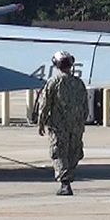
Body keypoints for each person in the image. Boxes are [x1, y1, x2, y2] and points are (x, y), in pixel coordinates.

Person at [36, 51, 88, 196]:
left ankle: (65, 183)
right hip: (76, 125)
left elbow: (44, 104)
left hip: (58, 125)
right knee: (73, 152)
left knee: (59, 153)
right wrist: (82, 122)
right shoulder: (79, 83)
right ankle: (67, 178)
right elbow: (85, 106)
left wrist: (41, 122)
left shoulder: (53, 82)